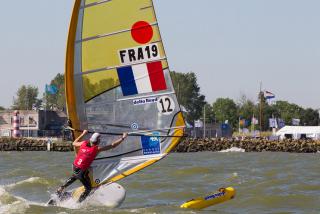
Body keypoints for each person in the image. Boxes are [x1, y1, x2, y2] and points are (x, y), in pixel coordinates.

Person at [55, 129, 128, 203]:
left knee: (75, 176)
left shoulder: (83, 143)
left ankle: (60, 189)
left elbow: (74, 143)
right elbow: (113, 145)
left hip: (74, 166)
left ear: (90, 140)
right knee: (88, 188)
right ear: (98, 141)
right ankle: (78, 203)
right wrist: (123, 138)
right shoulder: (96, 149)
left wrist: (83, 133)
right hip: (81, 171)